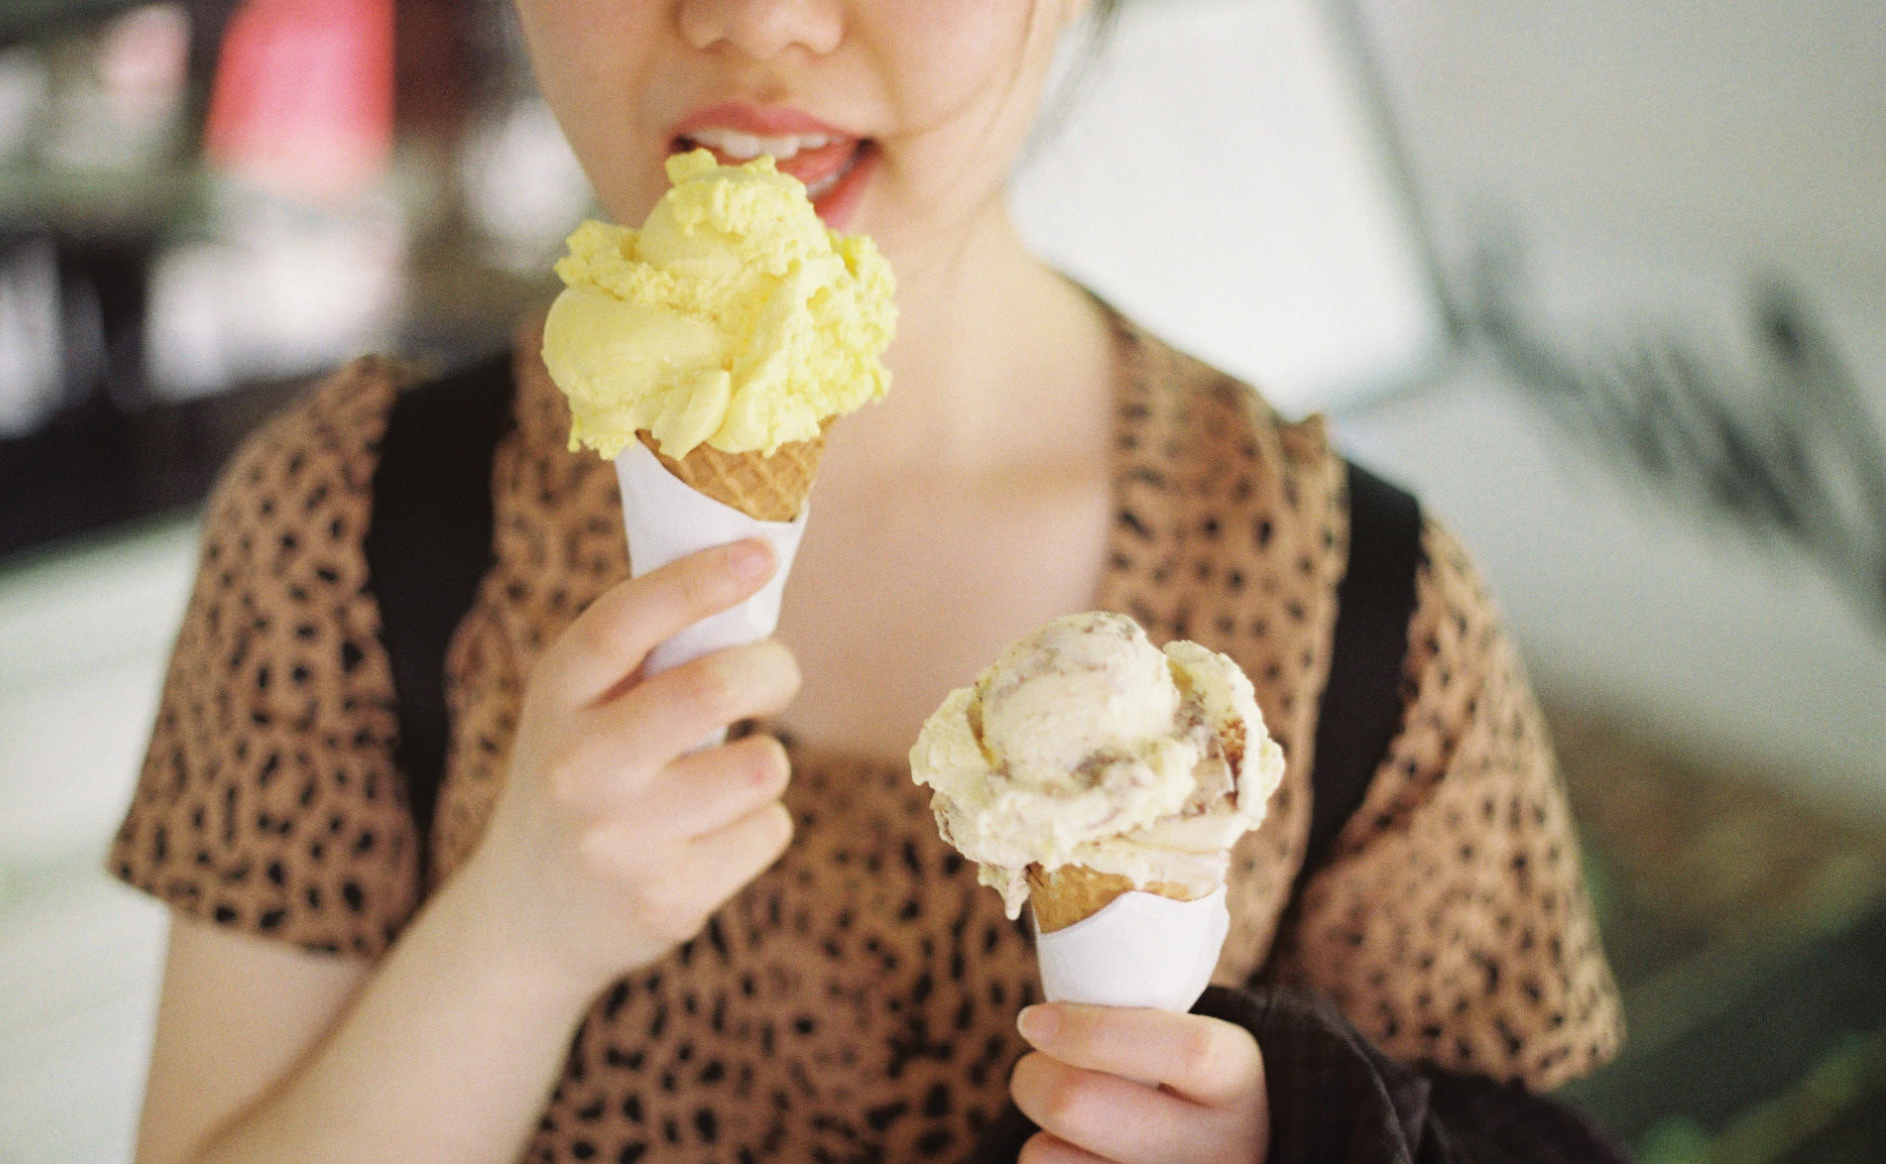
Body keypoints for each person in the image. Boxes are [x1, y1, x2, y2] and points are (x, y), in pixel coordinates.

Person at [110, 1, 1628, 1161]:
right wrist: (514, 939)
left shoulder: (1366, 608)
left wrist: (1300, 1135)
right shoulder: (359, 523)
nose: (757, 19)